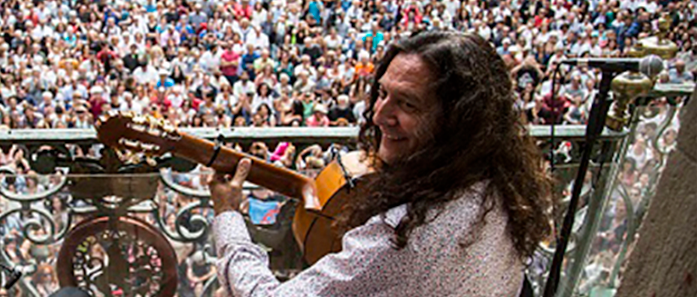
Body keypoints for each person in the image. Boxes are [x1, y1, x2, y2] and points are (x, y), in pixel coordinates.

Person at [208, 30, 554, 296]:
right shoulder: (499, 184)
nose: (378, 114)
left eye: (407, 105)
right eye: (382, 93)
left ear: (459, 122)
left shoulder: (404, 238)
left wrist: (228, 217)